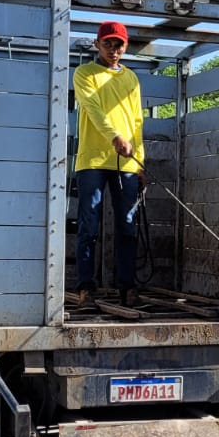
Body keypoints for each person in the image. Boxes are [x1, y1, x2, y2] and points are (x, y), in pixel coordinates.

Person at [73, 20, 144, 308]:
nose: (113, 50)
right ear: (97, 44)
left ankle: (127, 286)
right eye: (108, 44)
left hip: (126, 163)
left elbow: (137, 121)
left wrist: (140, 161)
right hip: (92, 159)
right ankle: (85, 288)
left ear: (125, 46)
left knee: (127, 225)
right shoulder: (84, 73)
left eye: (119, 44)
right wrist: (115, 137)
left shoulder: (131, 79)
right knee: (89, 226)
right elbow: (92, 108)